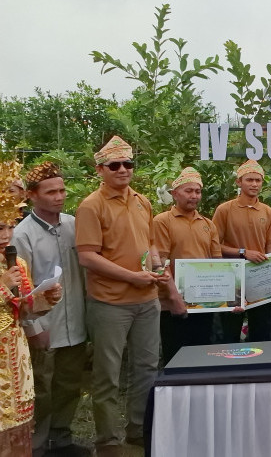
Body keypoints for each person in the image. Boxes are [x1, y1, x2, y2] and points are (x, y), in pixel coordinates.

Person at [75, 136, 168, 456]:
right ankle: (108, 441)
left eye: (128, 164)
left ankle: (139, 430)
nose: (123, 169)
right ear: (100, 169)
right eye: (114, 165)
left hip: (146, 300)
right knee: (107, 375)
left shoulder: (142, 201)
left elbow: (150, 243)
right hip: (110, 302)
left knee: (146, 367)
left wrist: (158, 269)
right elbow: (87, 256)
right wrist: (131, 276)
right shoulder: (91, 206)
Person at [13, 162, 90, 457]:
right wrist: (34, 329)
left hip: (76, 321)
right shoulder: (23, 235)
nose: (59, 197)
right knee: (42, 389)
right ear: (32, 195)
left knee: (70, 383)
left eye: (62, 190)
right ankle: (38, 445)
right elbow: (21, 289)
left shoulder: (73, 225)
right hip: (45, 325)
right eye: (51, 192)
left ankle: (62, 439)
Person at [0, 161, 62, 457]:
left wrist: (45, 299)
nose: (7, 235)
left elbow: (24, 309)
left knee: (18, 420)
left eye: (12, 226)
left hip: (15, 355)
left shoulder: (15, 263)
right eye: (1, 226)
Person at [153, 167, 222, 364]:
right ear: (175, 194)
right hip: (172, 305)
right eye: (188, 191)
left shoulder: (208, 224)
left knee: (203, 357)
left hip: (203, 303)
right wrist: (174, 299)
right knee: (175, 358)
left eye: (197, 191)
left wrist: (227, 299)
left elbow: (217, 264)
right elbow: (160, 263)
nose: (194, 196)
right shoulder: (162, 222)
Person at [212, 160, 271, 343]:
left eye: (258, 180)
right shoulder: (224, 210)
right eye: (249, 180)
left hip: (259, 279)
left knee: (262, 330)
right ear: (239, 182)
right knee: (229, 331)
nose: (254, 184)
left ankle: (260, 369)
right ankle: (229, 370)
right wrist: (243, 252)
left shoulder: (268, 212)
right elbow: (214, 246)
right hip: (231, 279)